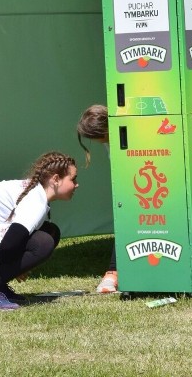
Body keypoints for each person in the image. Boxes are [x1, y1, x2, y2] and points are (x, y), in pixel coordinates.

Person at [0, 151, 79, 310]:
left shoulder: (35, 191)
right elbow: (8, 247)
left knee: (50, 231)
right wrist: (15, 269)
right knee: (43, 243)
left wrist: (15, 266)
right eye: (73, 179)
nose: (76, 184)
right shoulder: (35, 200)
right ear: (56, 180)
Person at [76, 104, 118, 294]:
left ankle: (113, 273)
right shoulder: (109, 140)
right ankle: (113, 273)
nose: (100, 142)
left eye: (99, 137)